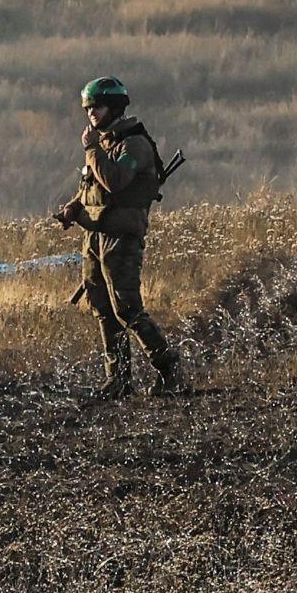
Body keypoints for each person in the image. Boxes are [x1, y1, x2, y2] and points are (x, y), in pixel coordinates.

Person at [55, 77, 182, 396]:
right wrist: (74, 206)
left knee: (126, 307)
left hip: (121, 238)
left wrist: (90, 150)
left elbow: (113, 181)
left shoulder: (132, 144)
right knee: (102, 307)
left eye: (96, 107)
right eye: (87, 108)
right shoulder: (106, 143)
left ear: (114, 107)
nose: (91, 114)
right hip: (96, 237)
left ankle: (169, 370)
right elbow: (92, 187)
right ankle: (119, 379)